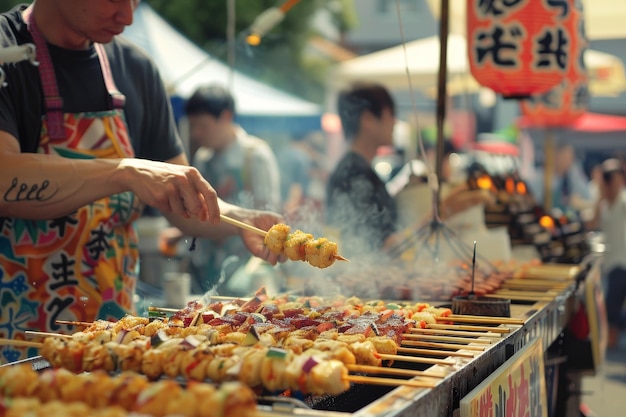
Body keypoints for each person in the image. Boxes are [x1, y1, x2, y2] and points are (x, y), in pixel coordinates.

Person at [0, 1, 283, 363]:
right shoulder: (7, 52)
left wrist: (238, 217)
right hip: (15, 344)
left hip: (115, 343)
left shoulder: (135, 69)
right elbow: (5, 178)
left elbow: (182, 199)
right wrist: (124, 171)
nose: (128, 16)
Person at [161, 84, 281, 292]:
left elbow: (267, 214)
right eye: (193, 126)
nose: (197, 133)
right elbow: (201, 208)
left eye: (203, 126)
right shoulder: (203, 157)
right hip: (206, 265)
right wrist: (180, 231)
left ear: (225, 117)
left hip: (245, 267)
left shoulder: (255, 156)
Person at [325, 83, 398, 258]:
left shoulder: (359, 169)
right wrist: (434, 217)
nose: (395, 122)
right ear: (367, 119)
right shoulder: (354, 174)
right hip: (363, 280)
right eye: (390, 114)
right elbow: (371, 248)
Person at [588, 158, 626, 348]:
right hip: (611, 261)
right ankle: (612, 338)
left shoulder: (623, 201)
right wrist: (600, 196)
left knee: (614, 303)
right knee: (612, 304)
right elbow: (593, 224)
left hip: (622, 261)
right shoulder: (603, 204)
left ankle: (613, 338)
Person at [528, 143, 591, 211]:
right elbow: (532, 201)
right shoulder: (540, 178)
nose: (569, 162)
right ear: (556, 157)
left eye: (571, 158)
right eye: (566, 158)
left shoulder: (573, 176)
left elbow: (587, 197)